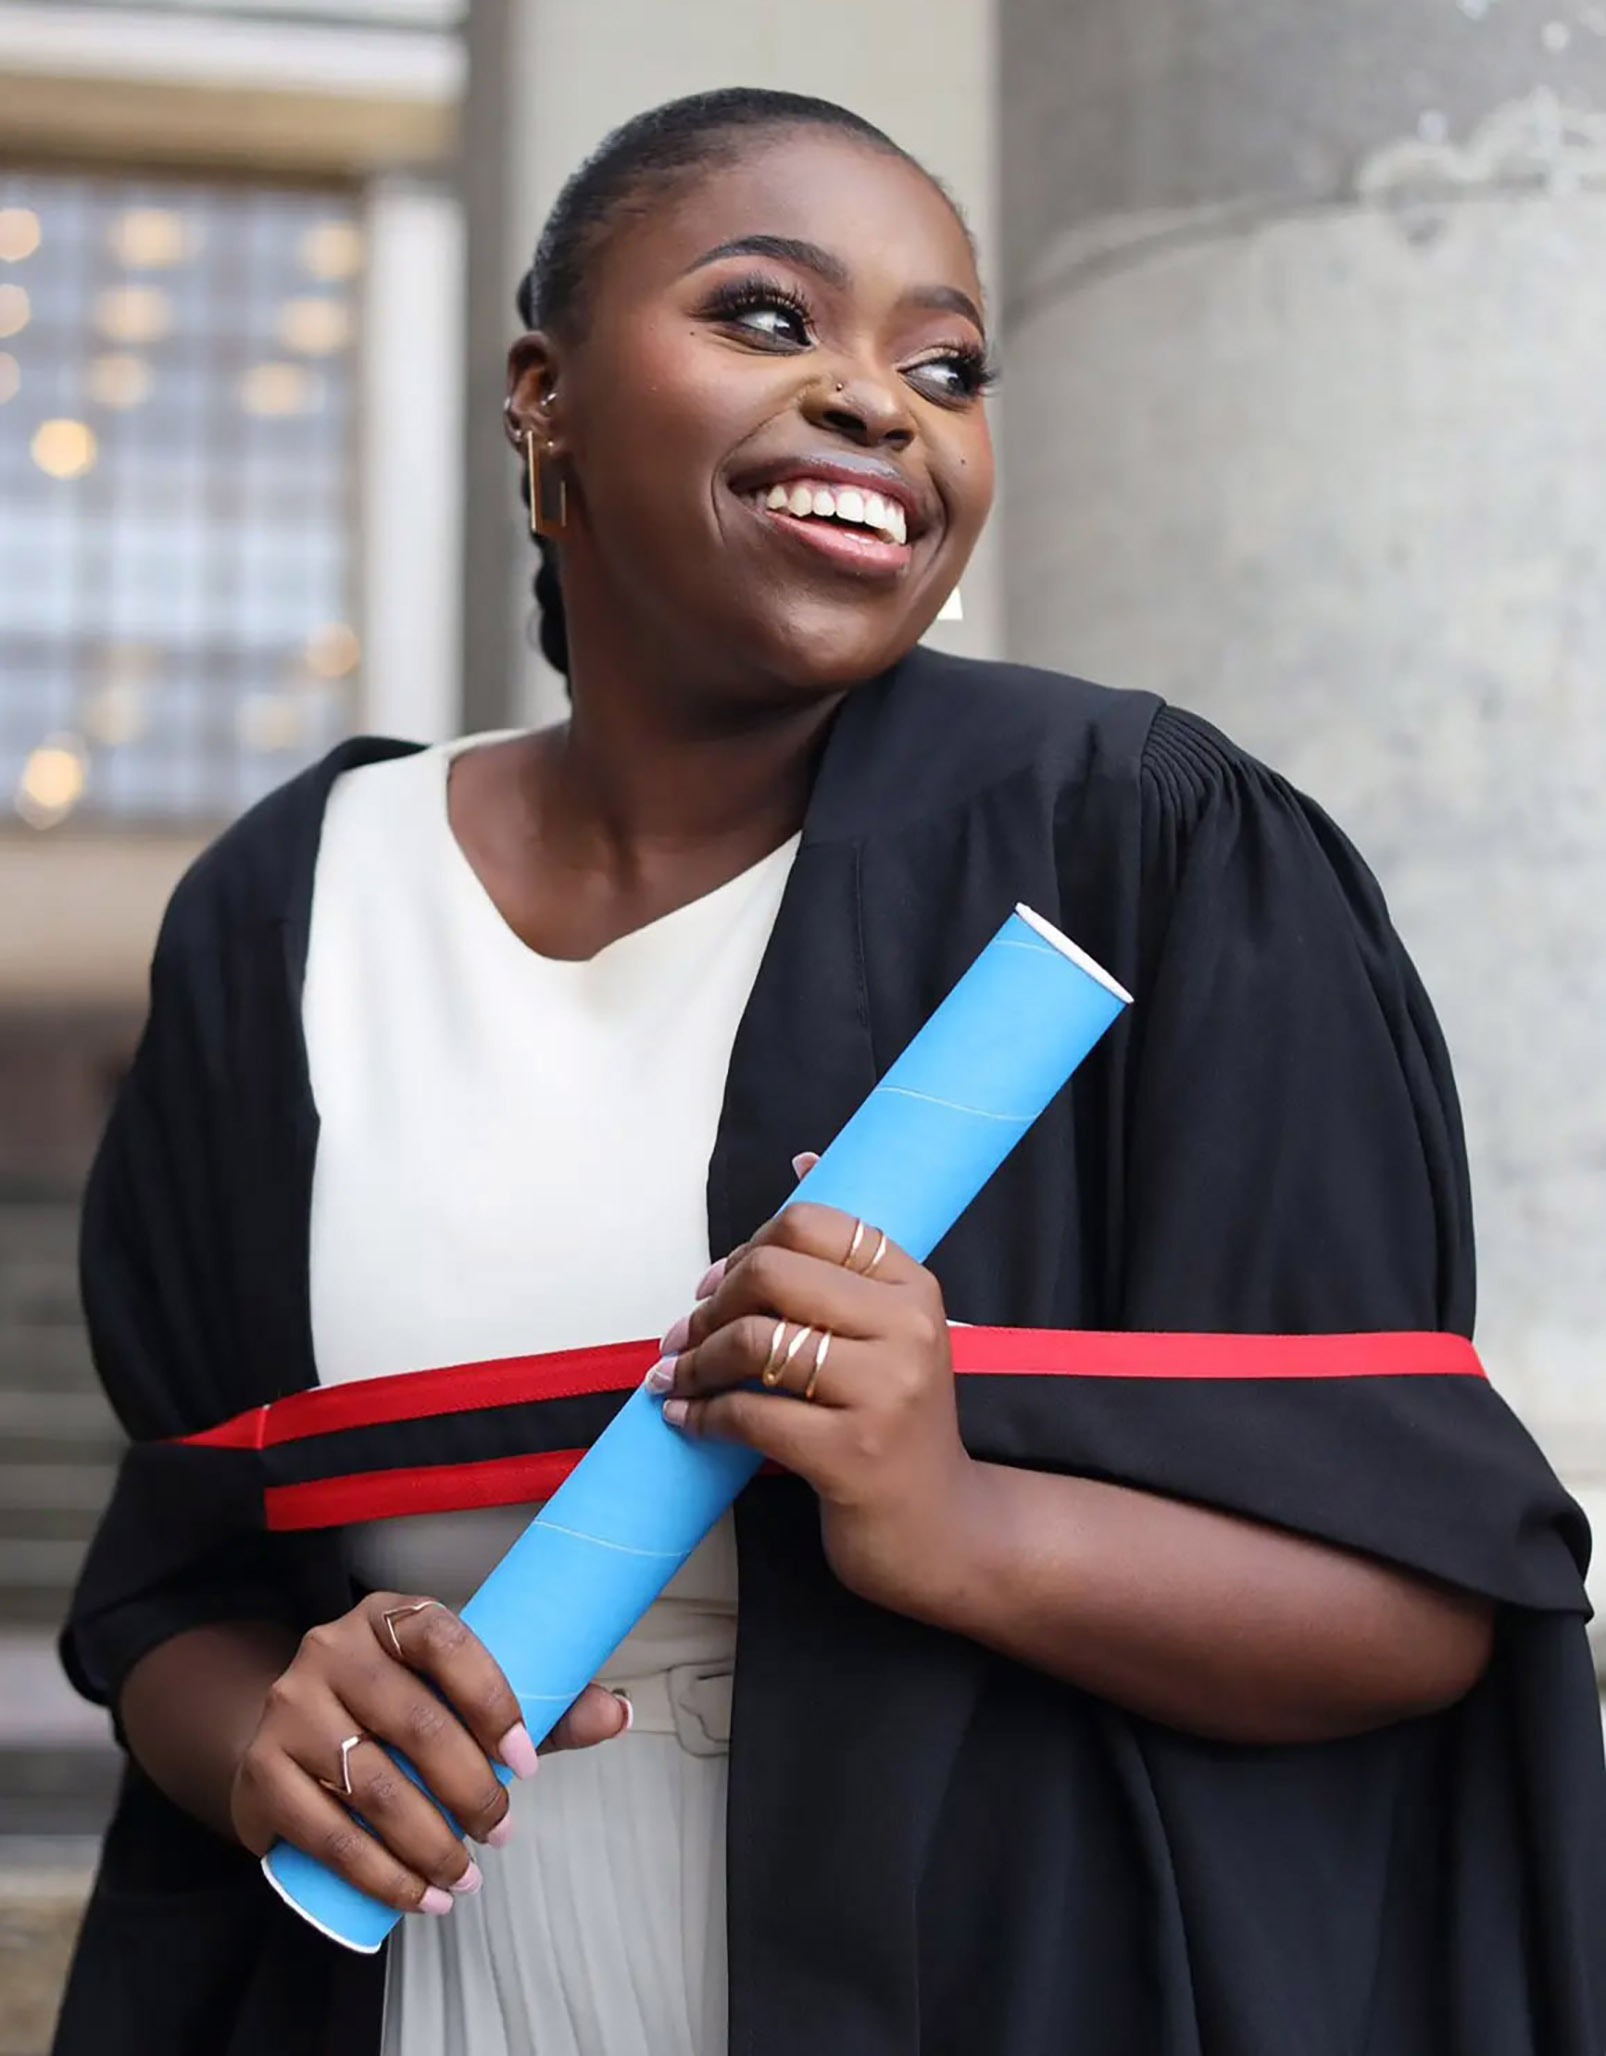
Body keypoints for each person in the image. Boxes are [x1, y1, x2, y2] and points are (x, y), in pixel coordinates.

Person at [50, 87, 1606, 2056]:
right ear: (542, 395)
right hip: (441, 1984)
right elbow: (174, 1586)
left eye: (944, 365)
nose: (880, 399)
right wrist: (272, 1728)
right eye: (770, 317)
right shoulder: (291, 911)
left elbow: (1419, 1600)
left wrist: (951, 1516)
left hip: (968, 1981)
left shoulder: (1136, 847)